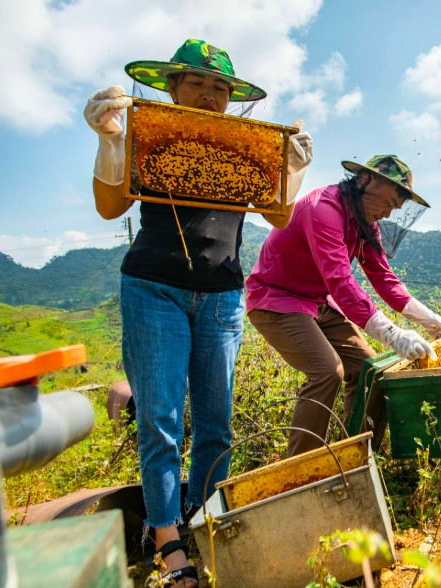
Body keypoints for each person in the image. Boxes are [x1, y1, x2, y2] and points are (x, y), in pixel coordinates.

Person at [83, 38, 313, 587]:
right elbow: (110, 204)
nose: (210, 97)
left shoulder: (241, 147)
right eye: (197, 84)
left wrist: (294, 167)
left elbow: (277, 215)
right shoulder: (152, 135)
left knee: (216, 423)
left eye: (220, 89)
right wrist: (110, 140)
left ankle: (206, 523)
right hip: (153, 288)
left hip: (221, 293)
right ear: (171, 88)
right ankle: (167, 541)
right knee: (160, 420)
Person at [246, 155, 441, 457]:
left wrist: (429, 320)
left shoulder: (365, 223)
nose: (389, 212)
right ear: (366, 180)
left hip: (318, 301)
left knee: (369, 370)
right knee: (328, 371)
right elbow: (340, 282)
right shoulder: (323, 209)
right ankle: (300, 469)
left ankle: (355, 456)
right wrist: (394, 335)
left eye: (396, 207)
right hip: (276, 298)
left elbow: (383, 278)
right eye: (389, 202)